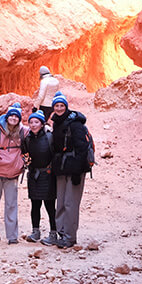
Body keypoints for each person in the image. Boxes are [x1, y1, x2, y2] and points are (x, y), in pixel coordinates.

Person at [49, 91, 91, 248]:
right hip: (61, 168)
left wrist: (77, 171)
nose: (59, 108)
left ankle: (70, 237)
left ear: (66, 106)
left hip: (74, 169)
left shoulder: (75, 124)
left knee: (70, 203)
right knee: (60, 202)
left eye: (62, 105)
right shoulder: (57, 123)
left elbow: (82, 148)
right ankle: (61, 233)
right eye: (56, 105)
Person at [0, 104, 26, 244]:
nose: (13, 118)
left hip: (13, 172)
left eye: (16, 116)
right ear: (7, 118)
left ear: (19, 119)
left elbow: (35, 135)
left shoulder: (23, 132)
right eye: (11, 116)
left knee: (11, 204)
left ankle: (12, 236)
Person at [20, 110, 56, 243]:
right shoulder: (27, 138)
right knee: (35, 204)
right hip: (34, 175)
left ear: (42, 123)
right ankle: (35, 231)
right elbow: (25, 154)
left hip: (47, 175)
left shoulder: (49, 137)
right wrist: (28, 165)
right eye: (31, 122)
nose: (33, 125)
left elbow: (54, 154)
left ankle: (53, 233)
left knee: (50, 205)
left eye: (36, 122)